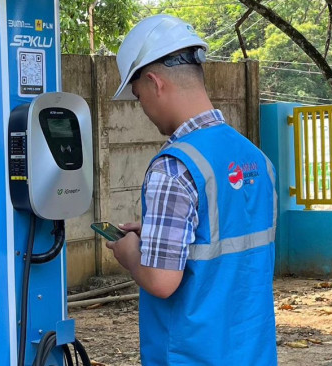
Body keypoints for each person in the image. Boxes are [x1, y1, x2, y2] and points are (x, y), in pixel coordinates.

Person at [106, 14, 278, 366]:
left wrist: (129, 253)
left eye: (138, 97)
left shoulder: (175, 165)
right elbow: (228, 245)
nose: (144, 110)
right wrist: (158, 236)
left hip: (191, 356)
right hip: (253, 354)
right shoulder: (257, 159)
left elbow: (161, 280)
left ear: (155, 83)